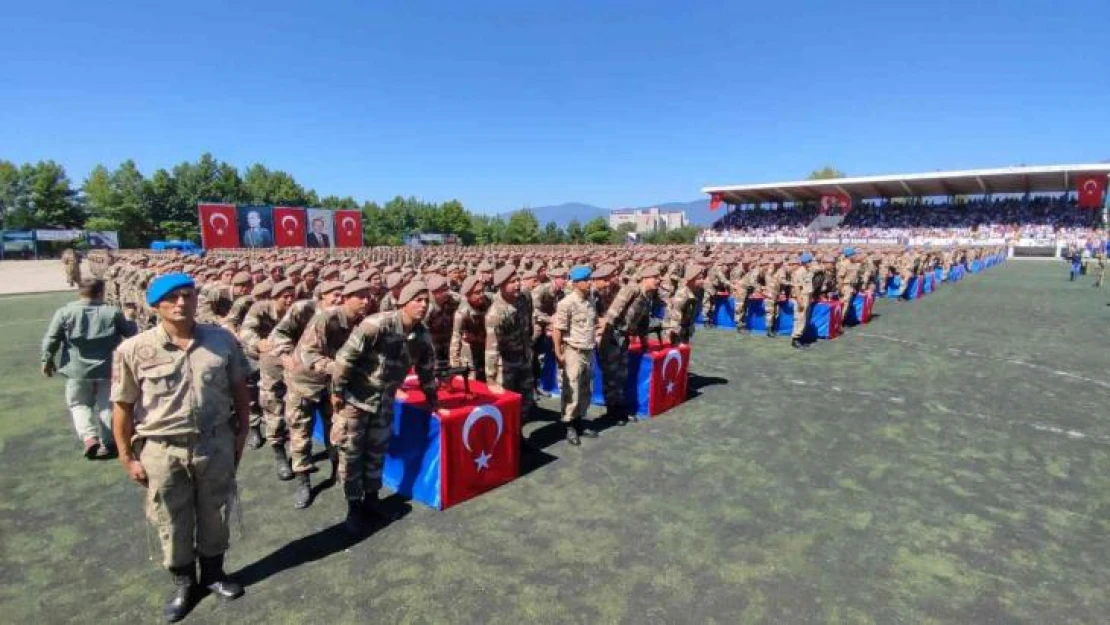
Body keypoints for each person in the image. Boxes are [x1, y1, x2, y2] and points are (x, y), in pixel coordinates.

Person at [110, 273, 250, 623]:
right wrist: (126, 456)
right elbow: (123, 406)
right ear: (155, 305)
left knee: (215, 512)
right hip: (162, 448)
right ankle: (184, 583)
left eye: (187, 295)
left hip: (214, 441)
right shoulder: (134, 350)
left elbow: (240, 391)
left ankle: (214, 574)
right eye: (171, 298)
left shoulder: (222, 341)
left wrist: (241, 435)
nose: (181, 303)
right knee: (171, 518)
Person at [331, 281, 439, 533]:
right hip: (356, 401)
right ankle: (353, 507)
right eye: (418, 300)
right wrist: (337, 393)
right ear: (403, 302)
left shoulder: (421, 335)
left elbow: (426, 370)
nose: (424, 305)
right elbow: (344, 359)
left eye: (426, 301)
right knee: (352, 454)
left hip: (384, 402)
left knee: (376, 452)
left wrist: (432, 398)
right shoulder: (376, 325)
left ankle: (372, 500)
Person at [285, 280, 372, 509]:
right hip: (305, 382)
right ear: (346, 298)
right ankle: (304, 482)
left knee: (336, 431)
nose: (367, 301)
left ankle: (337, 473)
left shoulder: (363, 322)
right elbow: (308, 354)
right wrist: (339, 369)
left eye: (369, 296)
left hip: (333, 386)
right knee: (300, 432)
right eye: (361, 296)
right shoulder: (326, 318)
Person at [41, 278, 134, 458]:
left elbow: (52, 338)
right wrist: (130, 319)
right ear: (101, 292)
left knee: (79, 405)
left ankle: (90, 438)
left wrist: (47, 359)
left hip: (76, 370)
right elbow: (130, 334)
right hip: (107, 369)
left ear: (80, 291)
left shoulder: (65, 312)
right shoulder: (112, 312)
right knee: (108, 405)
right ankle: (109, 441)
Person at [484, 266, 536, 445]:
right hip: (505, 364)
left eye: (517, 281)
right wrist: (491, 378)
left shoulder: (523, 297)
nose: (517, 285)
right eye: (512, 282)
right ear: (501, 286)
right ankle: (504, 442)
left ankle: (517, 436)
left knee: (526, 402)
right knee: (505, 404)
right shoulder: (496, 313)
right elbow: (492, 347)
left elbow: (528, 321)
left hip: (523, 357)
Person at [551, 266, 598, 445]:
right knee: (572, 389)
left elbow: (592, 324)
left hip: (587, 349)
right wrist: (558, 352)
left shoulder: (590, 301)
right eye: (586, 280)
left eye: (590, 279)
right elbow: (557, 330)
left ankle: (579, 421)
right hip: (573, 351)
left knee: (585, 388)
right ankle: (569, 424)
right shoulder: (566, 303)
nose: (590, 282)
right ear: (577, 283)